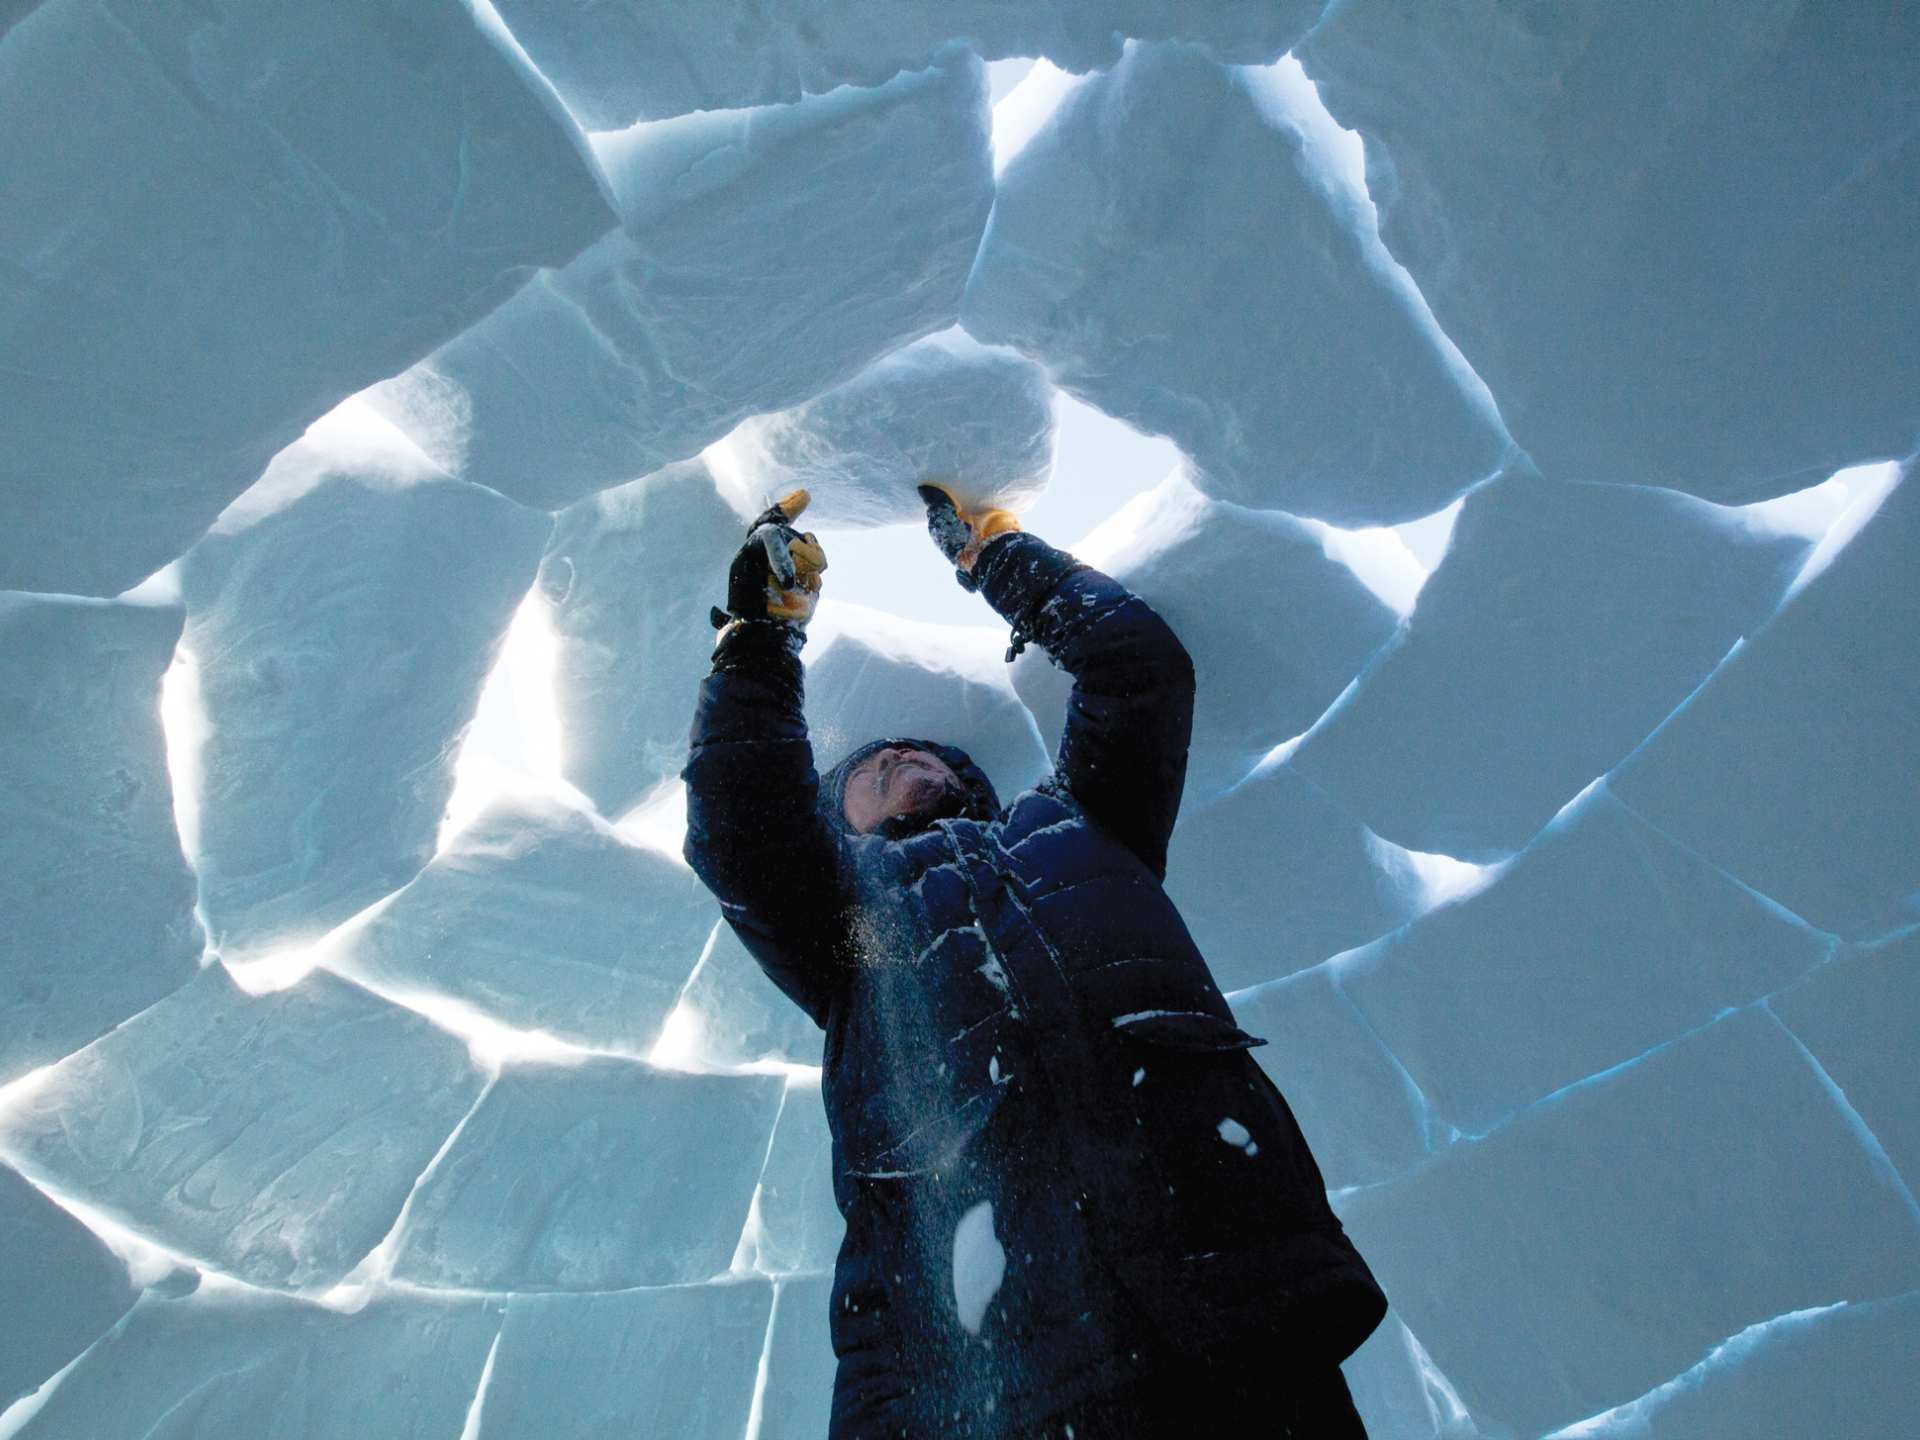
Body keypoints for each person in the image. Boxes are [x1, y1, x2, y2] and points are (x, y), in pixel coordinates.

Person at [683, 485, 1385, 1438]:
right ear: (831, 828)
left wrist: (996, 554)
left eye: (910, 751)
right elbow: (743, 830)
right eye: (863, 770)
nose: (891, 756)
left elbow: (1138, 675)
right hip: (990, 1373)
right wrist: (759, 637)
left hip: (1229, 1302)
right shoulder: (849, 928)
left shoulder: (1080, 826)